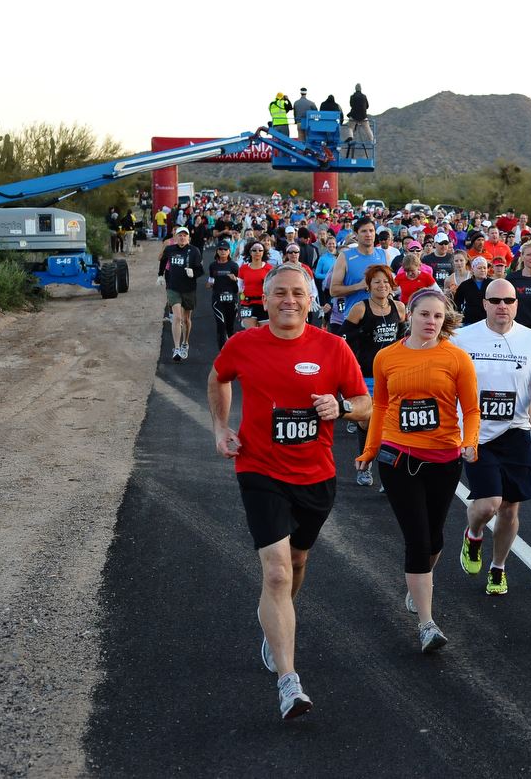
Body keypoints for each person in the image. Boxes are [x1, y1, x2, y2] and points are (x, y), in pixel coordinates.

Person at [208, 262, 372, 720]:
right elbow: (218, 377)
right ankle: (288, 681)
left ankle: (275, 620)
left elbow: (365, 404)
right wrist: (221, 428)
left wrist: (339, 406)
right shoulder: (244, 344)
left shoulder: (333, 348)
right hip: (259, 469)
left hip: (316, 475)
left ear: (310, 299)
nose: (289, 301)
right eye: (280, 292)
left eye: (298, 293)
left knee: (297, 563)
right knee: (277, 573)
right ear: (265, 297)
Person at [355, 287, 479, 653]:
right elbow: (379, 407)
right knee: (418, 539)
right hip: (398, 458)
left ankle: (419, 583)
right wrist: (369, 450)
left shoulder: (457, 358)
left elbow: (471, 410)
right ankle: (427, 623)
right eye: (425, 314)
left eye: (438, 316)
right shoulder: (386, 357)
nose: (431, 322)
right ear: (409, 315)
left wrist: (470, 442)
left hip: (444, 459)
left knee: (435, 538)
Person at [452, 279, 531, 595]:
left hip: (515, 431)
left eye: (508, 300)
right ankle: (474, 534)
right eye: (496, 300)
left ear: (516, 304)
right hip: (476, 433)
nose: (502, 306)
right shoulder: (463, 338)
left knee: (510, 509)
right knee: (488, 504)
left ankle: (498, 567)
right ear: (485, 304)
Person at [342, 264, 406, 487]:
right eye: (377, 281)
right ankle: (364, 464)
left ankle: (387, 474)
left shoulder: (399, 308)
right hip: (366, 373)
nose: (382, 285)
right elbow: (343, 339)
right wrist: (362, 334)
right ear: (369, 286)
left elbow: (402, 341)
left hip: (392, 375)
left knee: (391, 425)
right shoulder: (360, 308)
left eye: (386, 281)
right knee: (367, 422)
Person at [158, 227, 204, 362]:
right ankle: (176, 348)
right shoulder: (170, 249)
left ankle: (185, 342)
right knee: (177, 317)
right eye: (180, 235)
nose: (182, 238)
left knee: (186, 319)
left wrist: (193, 273)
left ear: (188, 238)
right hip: (173, 287)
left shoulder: (194, 251)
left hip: (189, 289)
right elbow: (163, 261)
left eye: (185, 235)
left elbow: (200, 270)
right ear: (176, 237)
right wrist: (160, 275)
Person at [329, 218, 389, 320]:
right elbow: (333, 291)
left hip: (381, 317)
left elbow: (389, 286)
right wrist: (359, 286)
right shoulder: (344, 257)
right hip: (354, 318)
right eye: (364, 231)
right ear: (356, 234)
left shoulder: (383, 255)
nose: (368, 234)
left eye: (371, 230)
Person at [206, 240, 240, 350]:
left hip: (231, 300)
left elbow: (239, 286)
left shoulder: (234, 266)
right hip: (218, 300)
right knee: (221, 325)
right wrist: (209, 284)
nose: (223, 251)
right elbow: (210, 281)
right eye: (220, 249)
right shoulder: (213, 266)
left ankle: (231, 348)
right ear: (217, 251)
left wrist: (235, 279)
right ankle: (222, 351)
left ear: (229, 251)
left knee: (230, 327)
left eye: (225, 249)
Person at [237, 241, 271, 330]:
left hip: (264, 304)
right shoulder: (243, 268)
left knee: (264, 334)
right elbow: (239, 286)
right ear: (250, 252)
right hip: (247, 304)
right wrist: (241, 292)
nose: (257, 252)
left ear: (263, 252)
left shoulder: (269, 268)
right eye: (254, 250)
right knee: (250, 333)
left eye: (260, 250)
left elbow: (273, 287)